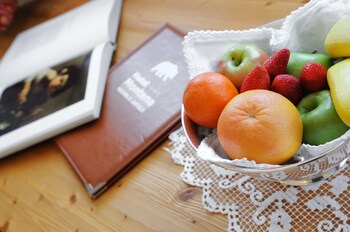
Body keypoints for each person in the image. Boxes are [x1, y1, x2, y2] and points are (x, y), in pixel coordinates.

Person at [0, 65, 80, 136]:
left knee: (14, 122)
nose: (57, 84)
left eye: (60, 85)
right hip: (12, 94)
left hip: (14, 108)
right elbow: (31, 73)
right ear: (63, 71)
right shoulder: (49, 73)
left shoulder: (44, 95)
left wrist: (32, 115)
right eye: (60, 80)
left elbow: (26, 110)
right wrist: (26, 89)